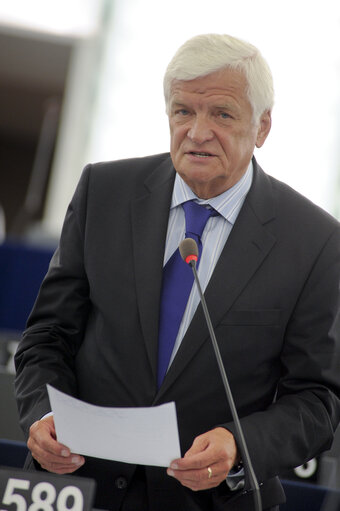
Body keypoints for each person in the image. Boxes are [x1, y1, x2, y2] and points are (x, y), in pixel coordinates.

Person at [15, 33, 340, 511]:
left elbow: (317, 400)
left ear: (262, 126)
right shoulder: (103, 193)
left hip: (210, 499)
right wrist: (42, 416)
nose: (197, 131)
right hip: (78, 484)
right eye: (183, 111)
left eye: (222, 114)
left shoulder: (315, 241)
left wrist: (238, 446)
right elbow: (47, 335)